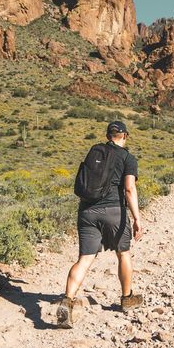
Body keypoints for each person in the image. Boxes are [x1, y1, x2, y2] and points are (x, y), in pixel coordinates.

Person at [55, 120, 144, 328]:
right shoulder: (128, 158)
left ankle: (67, 301)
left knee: (85, 259)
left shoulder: (94, 151)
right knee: (123, 253)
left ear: (107, 135)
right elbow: (129, 189)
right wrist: (137, 218)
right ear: (125, 136)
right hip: (114, 211)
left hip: (87, 211)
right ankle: (127, 298)